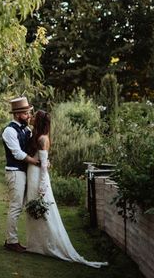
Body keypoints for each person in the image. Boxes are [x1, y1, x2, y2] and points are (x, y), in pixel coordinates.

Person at [25, 110, 108, 268]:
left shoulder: (43, 139)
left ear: (40, 121)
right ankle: (36, 245)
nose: (32, 117)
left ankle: (48, 244)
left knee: (44, 212)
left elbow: (43, 167)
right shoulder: (35, 135)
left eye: (34, 116)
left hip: (38, 178)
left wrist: (43, 187)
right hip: (31, 174)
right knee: (33, 209)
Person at [2, 96, 39, 253]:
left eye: (29, 113)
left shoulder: (27, 130)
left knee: (20, 206)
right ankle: (11, 241)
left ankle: (11, 240)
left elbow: (32, 148)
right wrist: (35, 162)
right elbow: (17, 154)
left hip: (24, 172)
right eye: (26, 113)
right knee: (16, 207)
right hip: (15, 172)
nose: (29, 116)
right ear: (17, 115)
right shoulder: (9, 131)